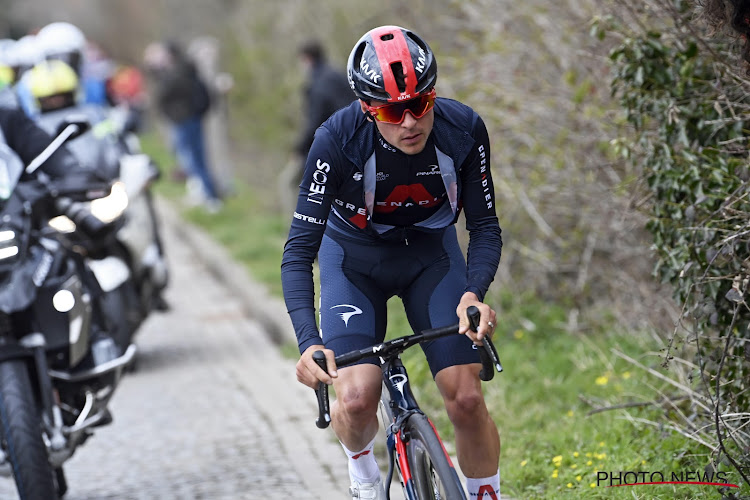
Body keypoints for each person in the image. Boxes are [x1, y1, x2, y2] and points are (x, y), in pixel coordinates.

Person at [281, 25, 503, 500]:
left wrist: (473, 293)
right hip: (354, 262)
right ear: (366, 107)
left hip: (431, 259)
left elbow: (485, 227)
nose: (408, 123)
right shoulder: (336, 141)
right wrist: (308, 342)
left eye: (419, 105)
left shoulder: (463, 129)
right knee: (358, 399)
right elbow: (299, 252)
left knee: (466, 399)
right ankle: (362, 474)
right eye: (390, 110)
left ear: (433, 96)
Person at [143, 40, 221, 212]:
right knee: (190, 158)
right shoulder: (177, 71)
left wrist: (157, 68)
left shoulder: (179, 71)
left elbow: (166, 92)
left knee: (194, 159)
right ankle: (202, 192)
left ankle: (211, 197)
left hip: (186, 121)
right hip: (184, 120)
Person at [293, 40, 353, 180]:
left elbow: (315, 121)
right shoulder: (338, 74)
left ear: (307, 59)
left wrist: (300, 148)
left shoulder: (317, 84)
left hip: (331, 146)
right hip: (354, 140)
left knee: (290, 183)